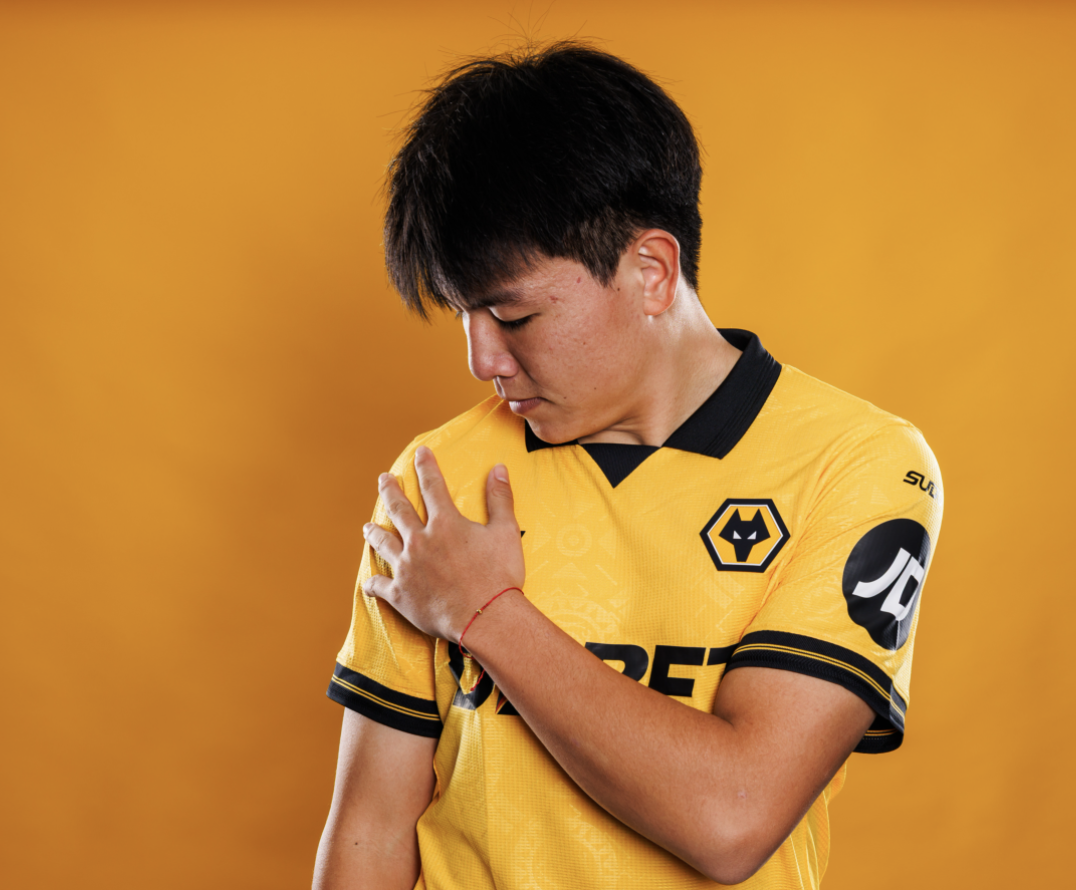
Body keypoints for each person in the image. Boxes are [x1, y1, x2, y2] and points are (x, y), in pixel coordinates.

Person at [312, 41, 943, 890]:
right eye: (465, 315)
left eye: (515, 317)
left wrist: (485, 612)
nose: (482, 360)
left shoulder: (855, 464)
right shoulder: (441, 478)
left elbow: (733, 817)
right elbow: (371, 825)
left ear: (651, 271)